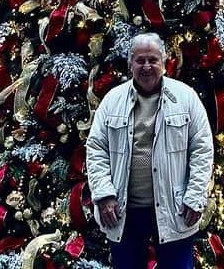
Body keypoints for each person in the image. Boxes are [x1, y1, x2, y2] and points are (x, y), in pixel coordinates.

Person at [86, 32, 214, 269]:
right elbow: (96, 149)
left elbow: (202, 149)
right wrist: (104, 195)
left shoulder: (185, 98)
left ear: (164, 63)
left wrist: (195, 197)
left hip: (174, 208)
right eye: (140, 60)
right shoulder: (112, 100)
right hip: (124, 211)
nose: (146, 66)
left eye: (153, 60)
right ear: (130, 64)